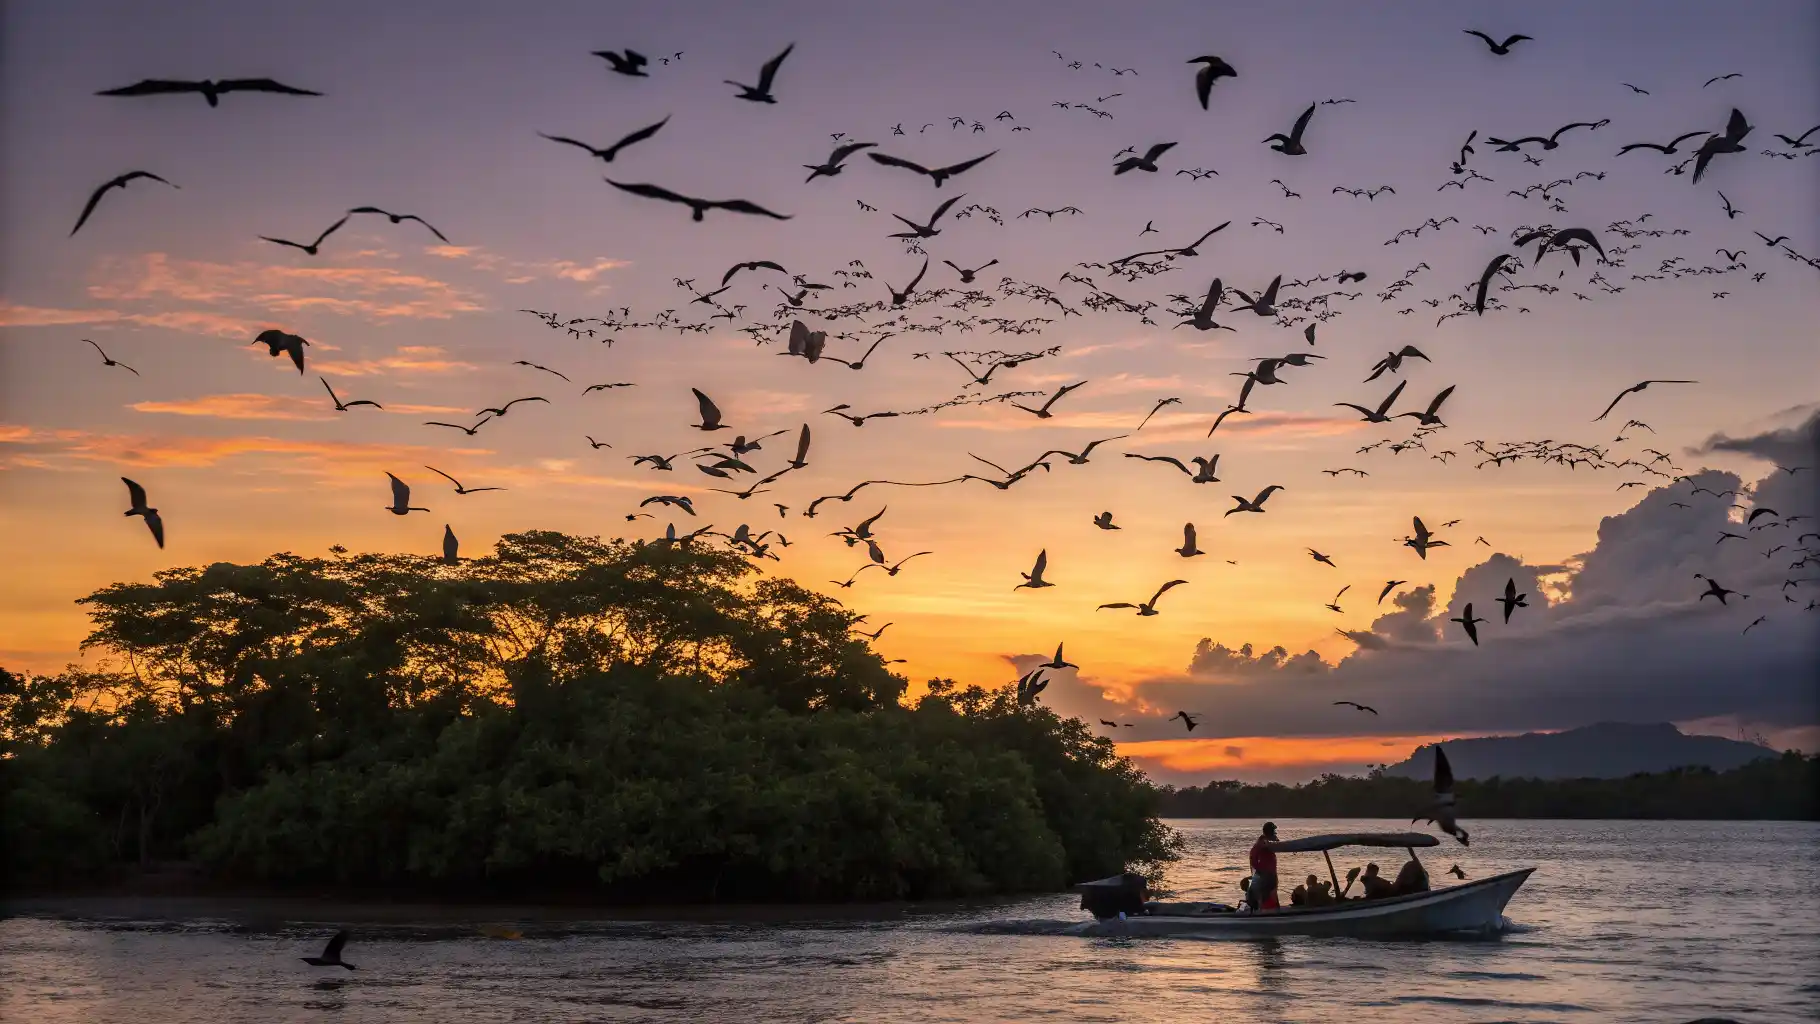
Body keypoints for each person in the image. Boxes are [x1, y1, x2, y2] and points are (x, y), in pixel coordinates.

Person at [1246, 822, 1280, 911]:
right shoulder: (1263, 842)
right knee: (1267, 895)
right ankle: (1265, 911)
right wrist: (1260, 871)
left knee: (1271, 895)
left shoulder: (1266, 841)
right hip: (1266, 875)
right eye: (1274, 831)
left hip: (1269, 874)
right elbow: (1253, 859)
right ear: (1270, 831)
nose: (1275, 833)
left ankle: (1270, 909)